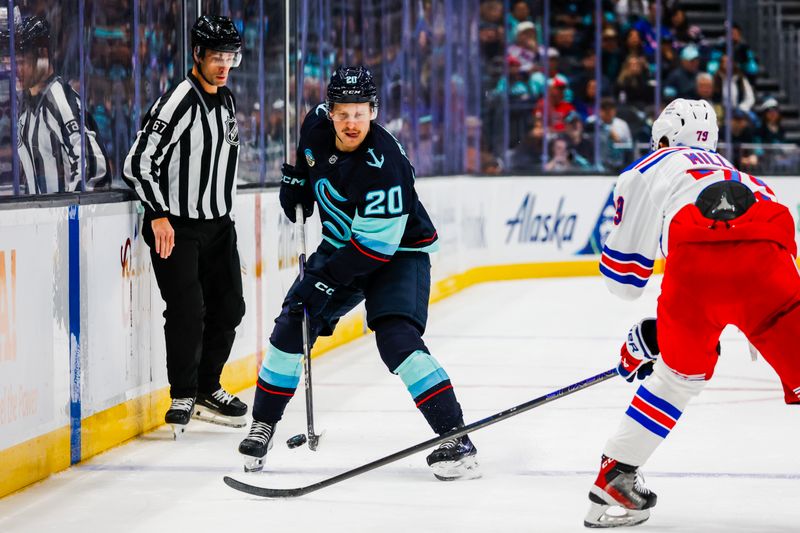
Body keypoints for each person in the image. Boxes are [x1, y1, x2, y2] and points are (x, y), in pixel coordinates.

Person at [238, 66, 479, 481]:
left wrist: (323, 280)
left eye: (360, 113)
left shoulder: (385, 166)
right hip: (341, 245)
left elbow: (373, 249)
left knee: (396, 337)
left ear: (374, 111)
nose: (352, 123)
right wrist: (297, 178)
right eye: (343, 113)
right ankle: (263, 424)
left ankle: (456, 437)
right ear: (330, 111)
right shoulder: (315, 125)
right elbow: (308, 156)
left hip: (398, 252)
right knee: (293, 323)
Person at [584, 99, 800, 528]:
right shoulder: (747, 177)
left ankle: (618, 476)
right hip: (768, 264)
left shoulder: (648, 168)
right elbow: (774, 249)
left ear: (661, 137)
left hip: (693, 274)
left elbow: (624, 282)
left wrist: (659, 334)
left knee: (675, 381)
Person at [122, 15, 247, 437]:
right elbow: (137, 163)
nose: (224, 65)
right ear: (197, 54)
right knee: (188, 311)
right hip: (175, 227)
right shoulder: (179, 100)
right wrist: (157, 213)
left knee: (230, 307)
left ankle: (209, 386)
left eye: (231, 57)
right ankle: (184, 393)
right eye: (216, 57)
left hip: (218, 227)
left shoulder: (226, 100)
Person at [4, 15, 108, 194]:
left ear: (43, 55)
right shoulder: (24, 108)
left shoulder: (60, 100)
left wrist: (72, 214)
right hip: (37, 218)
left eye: (21, 62)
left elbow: (92, 165)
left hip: (61, 219)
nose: (15, 70)